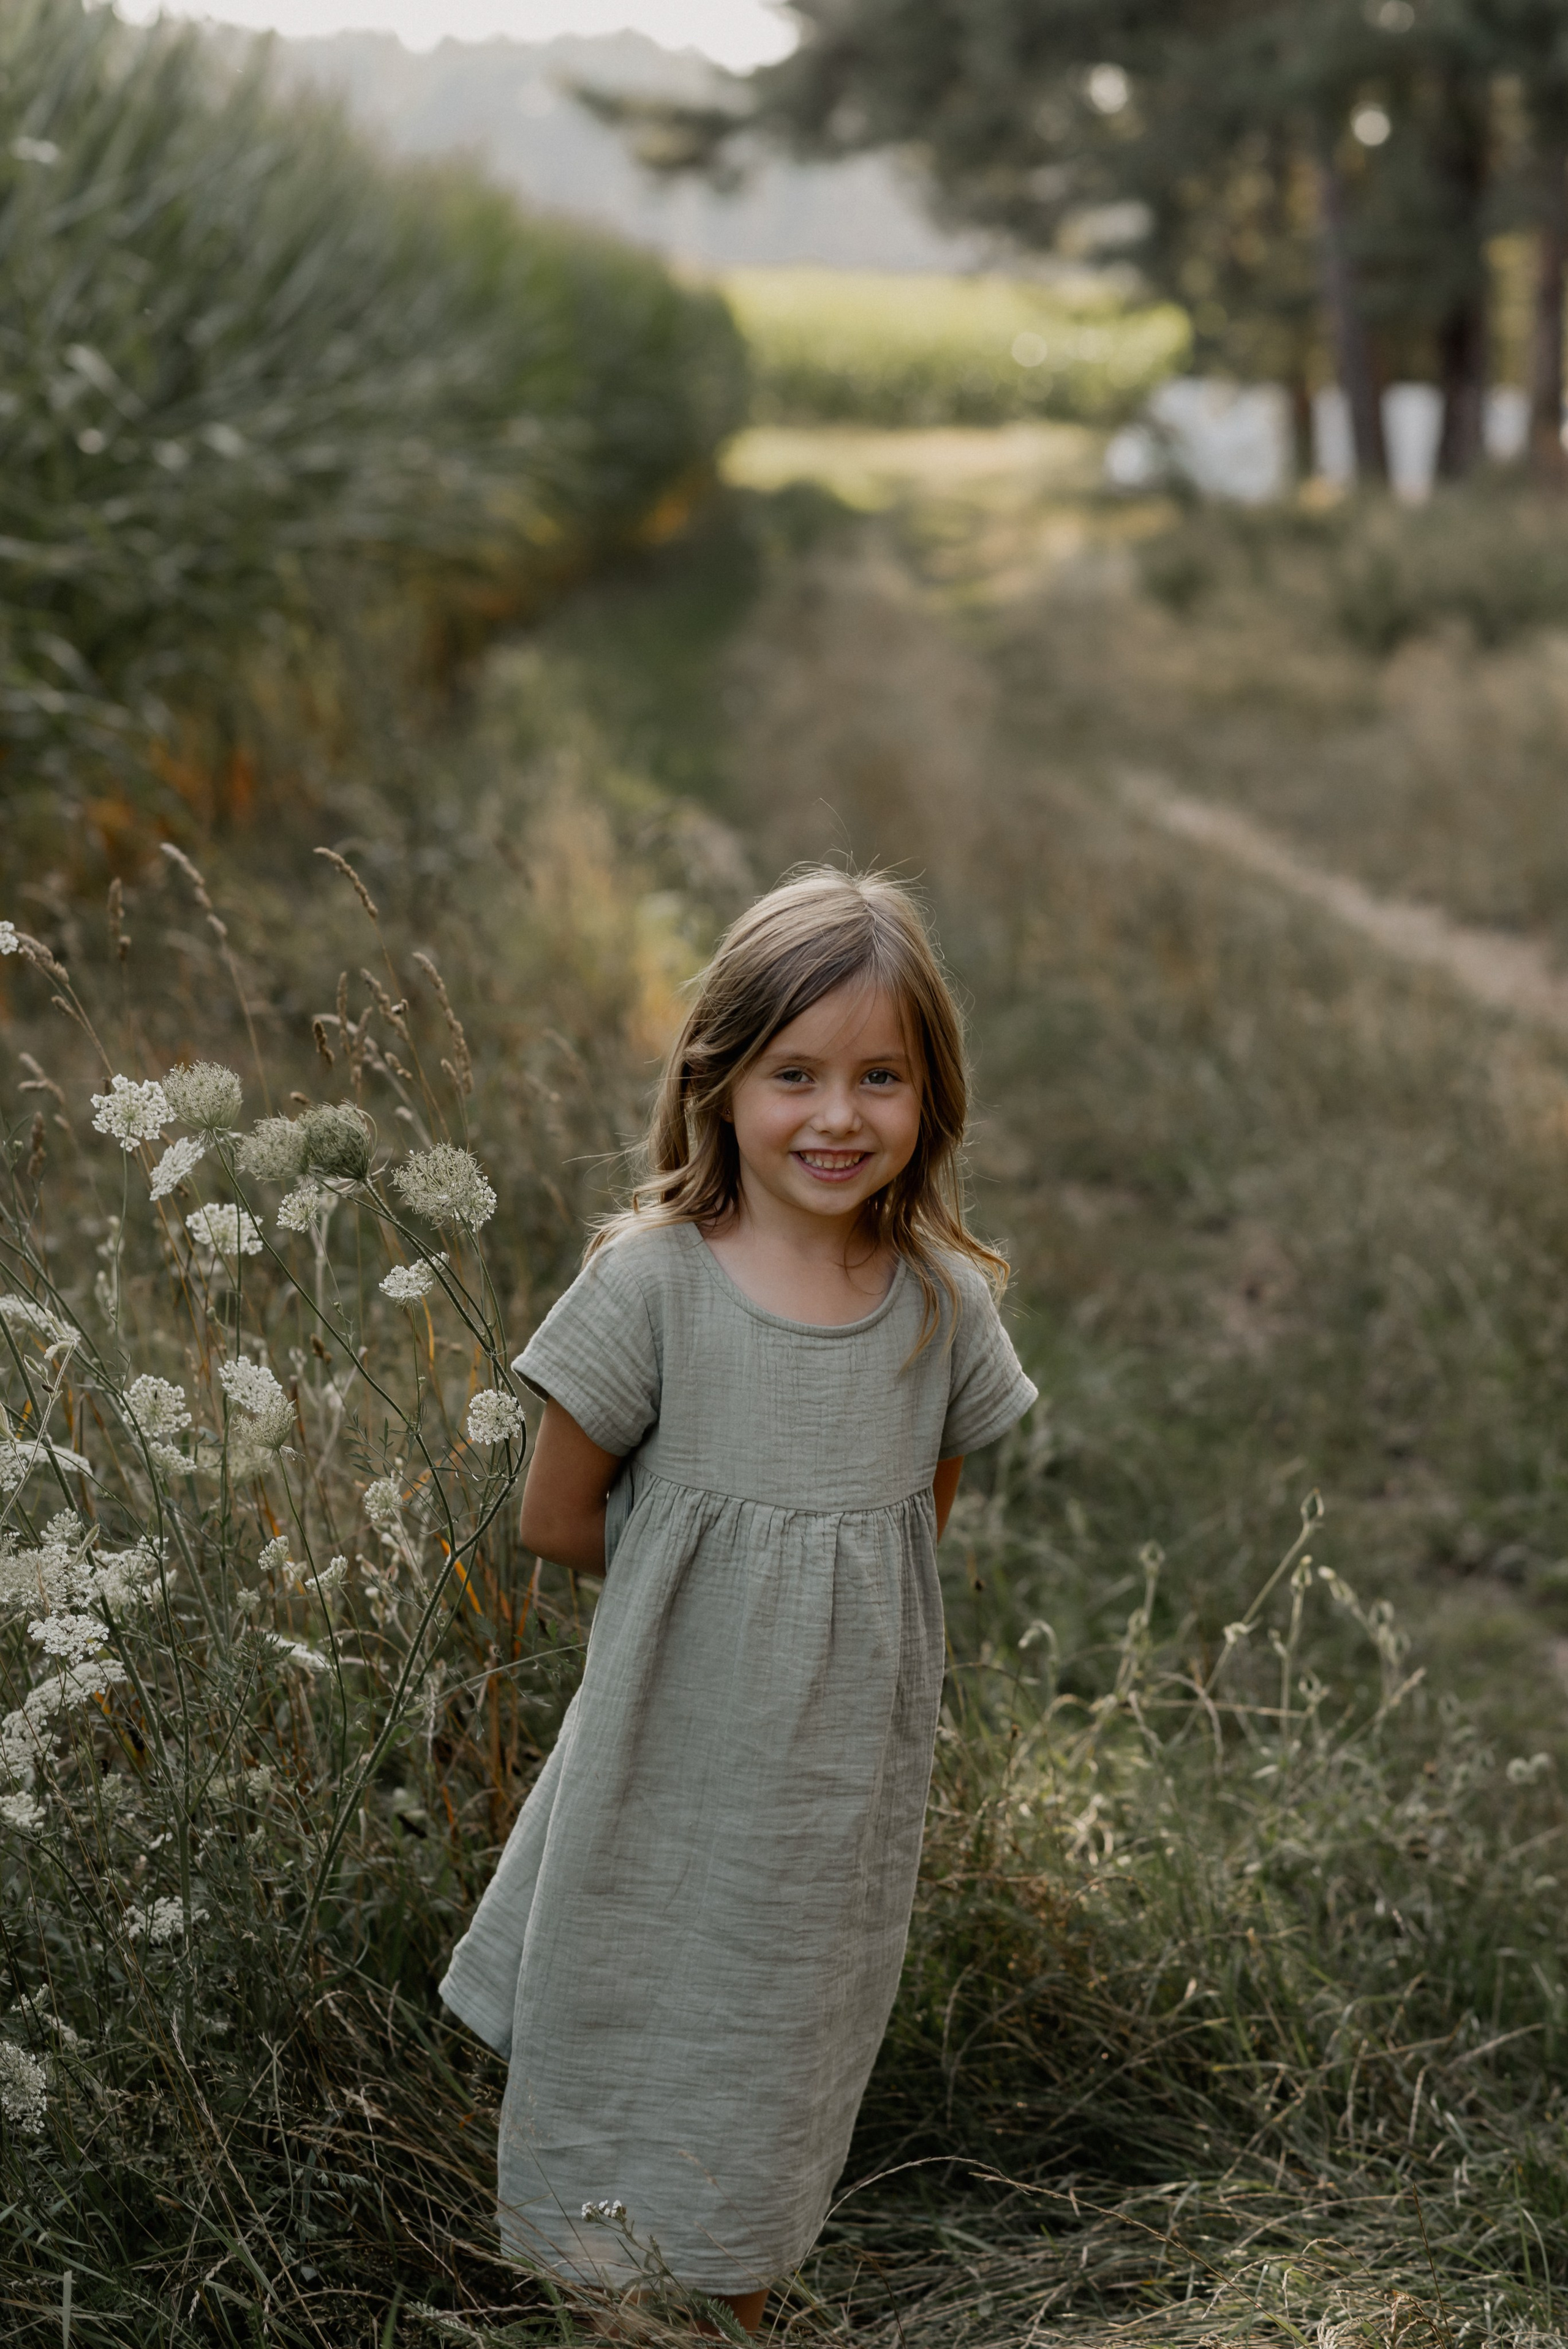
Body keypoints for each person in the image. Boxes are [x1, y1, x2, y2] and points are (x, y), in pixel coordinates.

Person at [439, 867, 1036, 2331]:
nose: (837, 1116)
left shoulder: (939, 1306)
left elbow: (909, 1530)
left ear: (929, 1097)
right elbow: (555, 1516)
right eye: (796, 1075)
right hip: (672, 1745)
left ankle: (737, 2285)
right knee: (634, 2001)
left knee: (774, 2035)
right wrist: (705, 1604)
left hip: (828, 1790)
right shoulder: (652, 1286)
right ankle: (612, 2298)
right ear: (717, 1081)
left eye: (879, 1077)